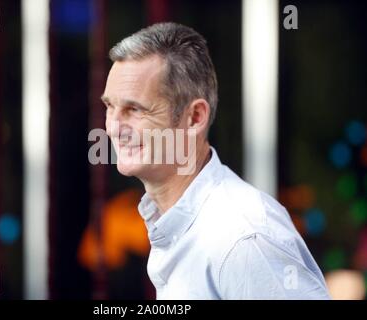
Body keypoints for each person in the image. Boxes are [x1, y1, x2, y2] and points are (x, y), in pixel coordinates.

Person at [101, 22, 330, 299]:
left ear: (195, 118)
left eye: (134, 109)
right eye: (110, 106)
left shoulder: (244, 238)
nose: (114, 128)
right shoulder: (180, 224)